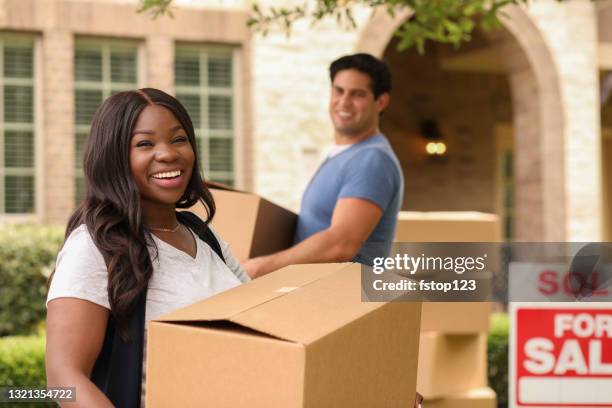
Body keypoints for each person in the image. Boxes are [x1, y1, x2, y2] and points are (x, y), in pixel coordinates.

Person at [45, 88, 249, 407]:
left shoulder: (205, 237)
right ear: (114, 157)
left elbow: (257, 320)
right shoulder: (95, 246)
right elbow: (63, 378)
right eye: (145, 144)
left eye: (179, 139)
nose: (168, 154)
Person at [243, 53, 404, 278]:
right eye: (338, 91)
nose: (344, 102)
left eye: (357, 94)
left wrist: (258, 267)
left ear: (381, 102)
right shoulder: (343, 155)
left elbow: (341, 244)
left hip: (343, 304)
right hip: (319, 298)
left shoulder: (372, 160)